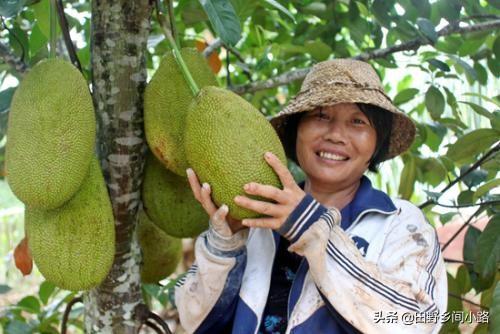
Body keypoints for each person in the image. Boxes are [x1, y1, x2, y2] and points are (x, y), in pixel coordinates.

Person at [175, 59, 447, 334]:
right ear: (296, 131)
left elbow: (415, 323)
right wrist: (225, 244)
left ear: (376, 144)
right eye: (320, 116)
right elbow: (193, 320)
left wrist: (309, 227)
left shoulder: (401, 224)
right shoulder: (255, 224)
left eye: (357, 121)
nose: (336, 135)